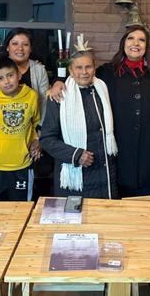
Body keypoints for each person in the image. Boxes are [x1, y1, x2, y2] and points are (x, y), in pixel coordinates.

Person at [50, 26, 150, 197]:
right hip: (119, 157)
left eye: (141, 40)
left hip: (149, 156)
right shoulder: (107, 72)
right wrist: (58, 81)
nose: (136, 43)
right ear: (123, 43)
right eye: (131, 38)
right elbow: (82, 75)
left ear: (146, 46)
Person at [40, 45, 118, 199]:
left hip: (106, 173)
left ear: (94, 69)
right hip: (75, 177)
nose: (84, 72)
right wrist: (76, 155)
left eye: (88, 67)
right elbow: (47, 139)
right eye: (79, 67)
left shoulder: (103, 91)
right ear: (70, 71)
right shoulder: (59, 97)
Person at [0, 28, 49, 171]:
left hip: (27, 141)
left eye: (25, 44)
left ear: (30, 48)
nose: (20, 48)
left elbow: (43, 106)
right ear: (7, 47)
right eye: (15, 43)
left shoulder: (38, 70)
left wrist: (39, 138)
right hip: (0, 145)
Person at [0, 57, 41, 201]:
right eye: (0, 78)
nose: (6, 81)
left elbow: (35, 122)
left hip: (22, 164)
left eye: (10, 75)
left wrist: (36, 140)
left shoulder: (31, 96)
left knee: (23, 208)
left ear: (19, 75)